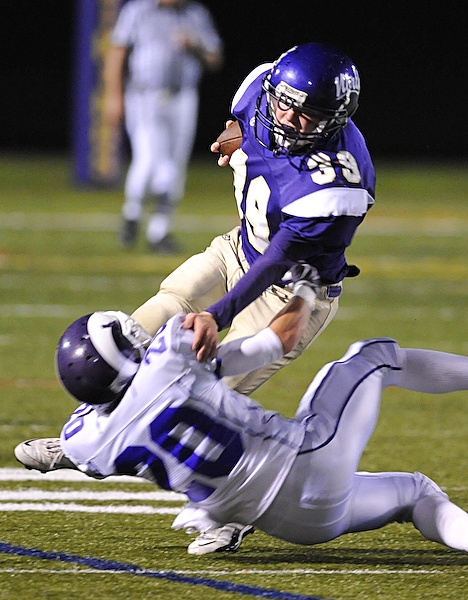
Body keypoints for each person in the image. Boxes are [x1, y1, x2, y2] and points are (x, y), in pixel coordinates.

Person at [14, 41, 375, 552]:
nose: (288, 118)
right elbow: (243, 121)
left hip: (290, 293)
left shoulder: (337, 187)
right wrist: (234, 139)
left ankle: (231, 511)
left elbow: (278, 261)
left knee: (214, 397)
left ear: (333, 120)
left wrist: (215, 314)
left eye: (306, 114)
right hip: (236, 247)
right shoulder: (261, 88)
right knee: (137, 328)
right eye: (285, 103)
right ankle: (86, 439)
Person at [15, 276, 468, 557]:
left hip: (289, 524)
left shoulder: (86, 440)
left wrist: (64, 451)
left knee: (416, 493)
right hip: (307, 461)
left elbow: (87, 457)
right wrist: (306, 286)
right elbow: (277, 342)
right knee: (373, 357)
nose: (141, 339)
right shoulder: (169, 358)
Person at [104, 0, 223, 252]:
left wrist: (195, 46)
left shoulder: (195, 13)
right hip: (145, 95)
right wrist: (113, 96)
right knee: (151, 160)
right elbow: (117, 52)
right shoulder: (137, 11)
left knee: (175, 165)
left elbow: (215, 58)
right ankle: (133, 211)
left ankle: (159, 230)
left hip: (183, 97)